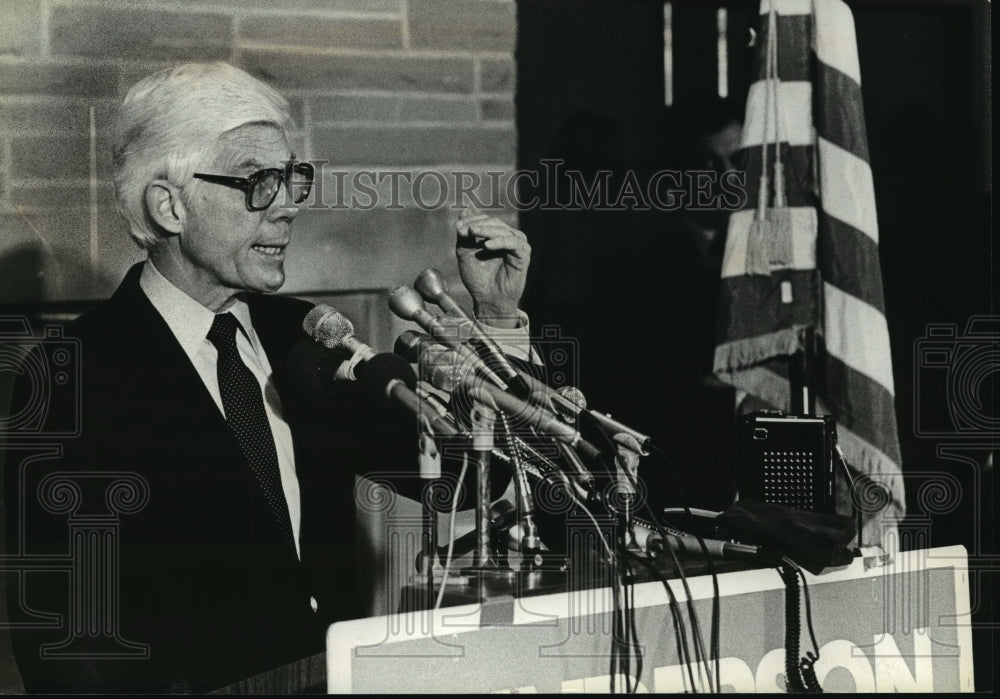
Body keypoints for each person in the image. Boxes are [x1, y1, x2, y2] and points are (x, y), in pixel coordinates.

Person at [3, 61, 532, 693]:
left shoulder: (305, 334)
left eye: (291, 179)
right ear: (169, 205)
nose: (287, 208)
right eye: (258, 182)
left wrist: (497, 322)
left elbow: (469, 475)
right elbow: (70, 643)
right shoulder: (73, 375)